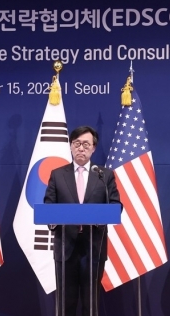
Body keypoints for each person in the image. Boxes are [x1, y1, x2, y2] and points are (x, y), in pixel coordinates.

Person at [44, 126, 121, 316]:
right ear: (71, 146)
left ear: (93, 148)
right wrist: (54, 221)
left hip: (93, 247)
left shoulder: (104, 175)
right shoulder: (57, 174)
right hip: (65, 247)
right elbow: (48, 206)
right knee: (65, 303)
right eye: (77, 143)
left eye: (86, 144)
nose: (81, 148)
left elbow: (116, 206)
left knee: (91, 303)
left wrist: (98, 218)